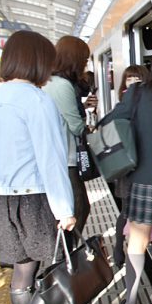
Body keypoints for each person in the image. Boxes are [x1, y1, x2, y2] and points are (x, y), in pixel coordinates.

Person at [0, 30, 75, 304]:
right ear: (38, 61)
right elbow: (51, 159)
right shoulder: (36, 99)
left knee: (22, 272)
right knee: (50, 270)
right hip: (32, 200)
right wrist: (65, 210)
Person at [104, 73, 152, 304]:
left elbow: (109, 122)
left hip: (146, 179)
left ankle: (130, 302)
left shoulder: (138, 92)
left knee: (137, 244)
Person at [42, 36, 96, 248]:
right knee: (78, 209)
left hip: (61, 157)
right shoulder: (62, 85)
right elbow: (76, 126)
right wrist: (88, 124)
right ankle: (69, 257)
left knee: (78, 209)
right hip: (65, 158)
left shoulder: (52, 82)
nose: (86, 64)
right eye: (84, 59)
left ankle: (68, 253)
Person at [111, 64, 150, 268]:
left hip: (144, 166)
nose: (133, 82)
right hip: (128, 168)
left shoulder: (147, 102)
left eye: (137, 78)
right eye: (129, 79)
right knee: (126, 210)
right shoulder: (124, 104)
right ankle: (118, 247)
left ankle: (127, 249)